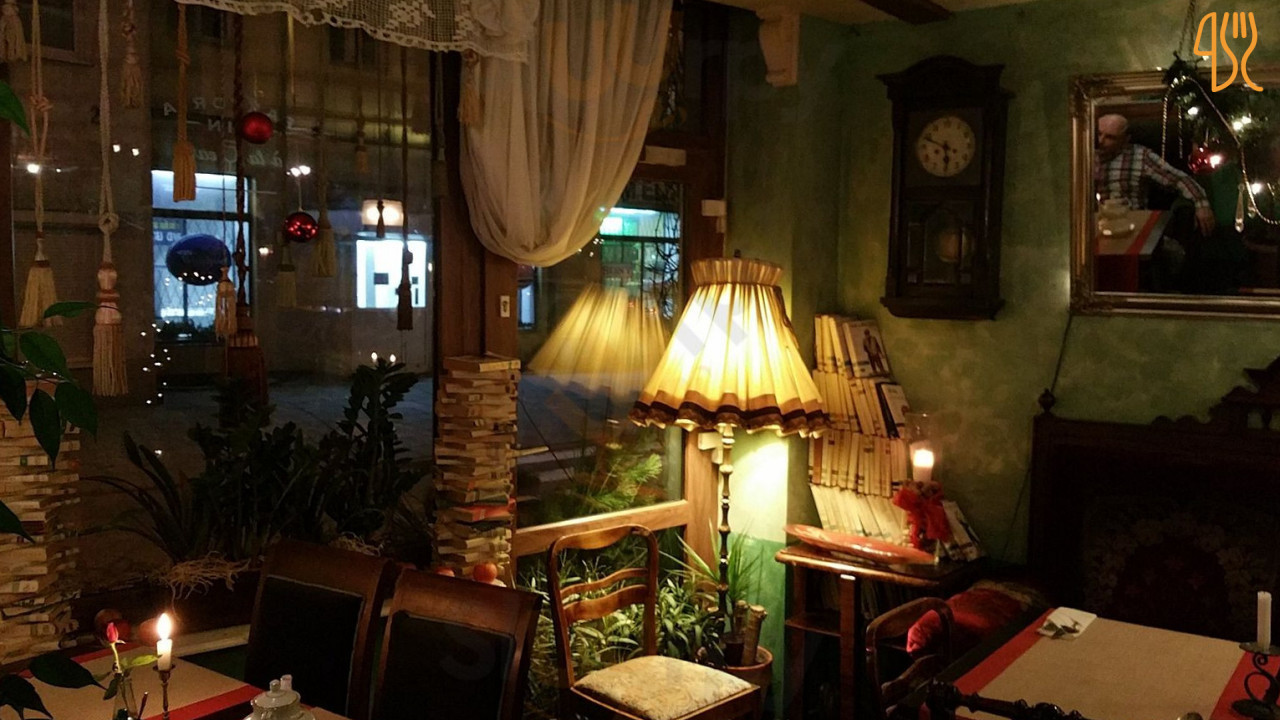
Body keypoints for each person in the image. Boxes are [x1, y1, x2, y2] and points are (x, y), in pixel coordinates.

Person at [1095, 113, 1215, 237]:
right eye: (1098, 134)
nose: (1100, 141)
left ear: (1125, 140)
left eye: (1110, 137)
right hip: (1093, 226)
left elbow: (1179, 179)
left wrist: (1201, 205)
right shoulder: (1086, 155)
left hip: (1131, 224)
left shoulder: (1140, 156)